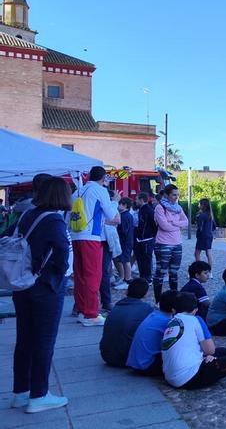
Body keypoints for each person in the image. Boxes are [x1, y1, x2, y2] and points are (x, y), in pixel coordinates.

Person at [10, 177, 72, 413]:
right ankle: (39, 395)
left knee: (24, 339)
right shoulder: (54, 219)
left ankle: (20, 391)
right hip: (45, 286)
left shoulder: (27, 214)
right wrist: (59, 276)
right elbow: (62, 252)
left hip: (22, 283)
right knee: (44, 340)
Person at [71, 166, 116, 327]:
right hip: (91, 236)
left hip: (76, 235)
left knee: (80, 275)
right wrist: (115, 202)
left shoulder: (77, 191)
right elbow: (113, 217)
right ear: (103, 178)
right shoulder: (100, 190)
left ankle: (83, 311)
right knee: (93, 275)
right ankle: (91, 314)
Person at [99, 278, 153, 367]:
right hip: (126, 358)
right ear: (145, 294)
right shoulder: (146, 309)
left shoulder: (117, 306)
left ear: (127, 291)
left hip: (106, 355)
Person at [153, 184, 189, 304]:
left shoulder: (178, 207)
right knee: (160, 272)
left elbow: (186, 222)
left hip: (177, 243)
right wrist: (177, 225)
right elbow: (164, 226)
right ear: (167, 195)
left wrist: (173, 222)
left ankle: (175, 300)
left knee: (174, 272)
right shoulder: (160, 208)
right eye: (174, 195)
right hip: (163, 244)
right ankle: (158, 301)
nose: (176, 197)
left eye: (177, 194)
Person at [127, 290, 177, 376]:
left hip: (136, 363)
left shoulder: (153, 314)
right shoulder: (167, 322)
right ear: (174, 309)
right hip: (147, 366)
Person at [133, 192, 157, 283]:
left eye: (136, 199)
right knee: (140, 259)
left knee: (146, 260)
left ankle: (148, 279)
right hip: (140, 239)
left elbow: (155, 224)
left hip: (147, 240)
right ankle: (142, 277)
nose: (135, 201)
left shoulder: (148, 210)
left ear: (141, 200)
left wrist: (151, 236)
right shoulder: (141, 209)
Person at [113, 197, 135, 290]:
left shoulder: (125, 216)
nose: (118, 206)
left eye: (120, 204)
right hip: (126, 241)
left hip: (125, 242)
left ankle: (128, 279)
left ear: (125, 205)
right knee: (123, 260)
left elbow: (124, 231)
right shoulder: (126, 215)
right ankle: (124, 278)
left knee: (126, 260)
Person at [194, 198, 215, 267]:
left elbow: (199, 227)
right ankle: (210, 271)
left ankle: (198, 269)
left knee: (197, 253)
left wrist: (197, 218)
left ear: (203, 205)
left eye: (199, 204)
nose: (198, 205)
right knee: (208, 253)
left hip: (202, 236)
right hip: (209, 236)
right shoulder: (210, 215)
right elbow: (214, 227)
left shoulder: (202, 215)